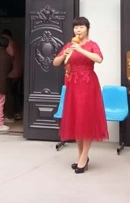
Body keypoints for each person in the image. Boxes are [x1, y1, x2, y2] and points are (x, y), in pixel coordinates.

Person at [53, 16, 108, 174]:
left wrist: (80, 49)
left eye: (81, 27)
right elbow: (55, 62)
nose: (78, 30)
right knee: (77, 119)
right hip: (73, 85)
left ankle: (84, 156)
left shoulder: (92, 45)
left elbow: (99, 59)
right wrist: (65, 54)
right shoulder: (69, 45)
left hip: (88, 84)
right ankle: (80, 155)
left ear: (87, 29)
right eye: (76, 27)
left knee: (86, 119)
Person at [3, 29, 23, 122]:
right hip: (17, 71)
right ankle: (17, 113)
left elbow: (9, 57)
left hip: (11, 73)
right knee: (15, 93)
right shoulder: (15, 44)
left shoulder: (9, 44)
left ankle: (10, 116)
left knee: (9, 94)